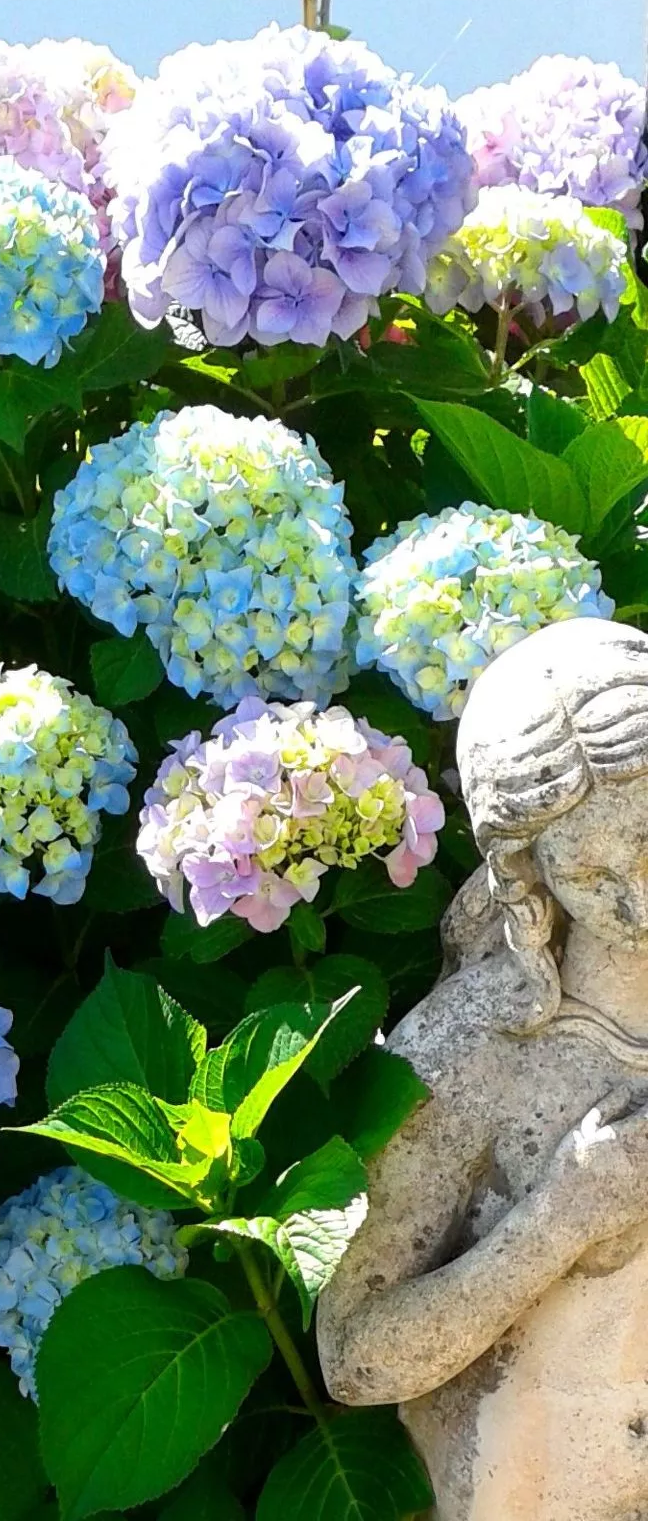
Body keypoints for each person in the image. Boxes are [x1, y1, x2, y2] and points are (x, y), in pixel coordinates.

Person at [317, 616, 648, 1521]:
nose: (639, 897)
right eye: (591, 870)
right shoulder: (473, 1051)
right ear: (529, 875)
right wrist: (562, 1218)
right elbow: (357, 1358)